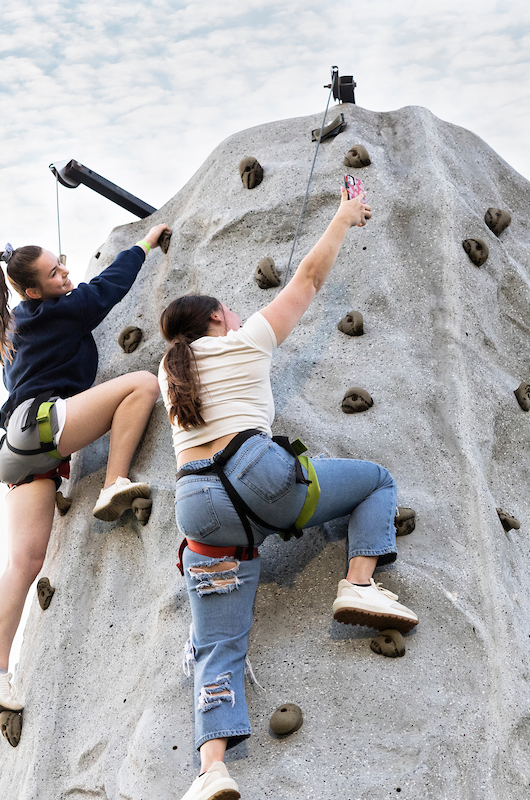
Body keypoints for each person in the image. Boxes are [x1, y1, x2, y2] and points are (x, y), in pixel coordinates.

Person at [157, 193, 418, 800]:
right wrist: (344, 217)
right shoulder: (243, 342)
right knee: (375, 480)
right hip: (258, 475)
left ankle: (211, 771)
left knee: (217, 645)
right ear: (220, 317)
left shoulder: (173, 379)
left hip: (197, 506)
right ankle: (359, 581)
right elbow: (307, 278)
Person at [0, 224, 168, 719]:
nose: (67, 274)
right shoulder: (58, 311)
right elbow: (107, 289)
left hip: (18, 450)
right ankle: (115, 481)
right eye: (56, 272)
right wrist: (144, 243)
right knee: (141, 384)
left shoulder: (17, 325)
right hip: (42, 423)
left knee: (24, 563)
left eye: (64, 264)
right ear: (32, 290)